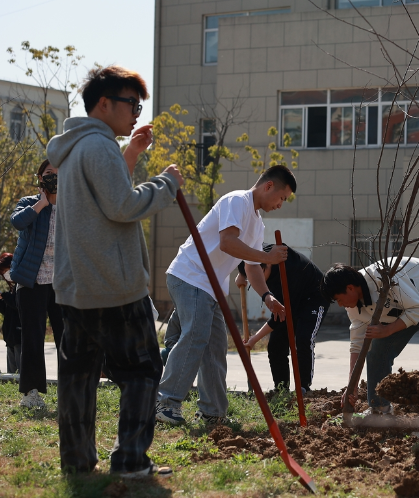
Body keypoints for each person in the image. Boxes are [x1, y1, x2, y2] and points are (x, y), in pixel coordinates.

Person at [48, 65, 183, 477]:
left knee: (78, 379)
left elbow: (102, 197)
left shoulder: (74, 148)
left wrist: (132, 154)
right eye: (131, 104)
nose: (137, 113)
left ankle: (76, 461)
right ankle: (130, 461)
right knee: (142, 371)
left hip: (76, 287)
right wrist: (165, 185)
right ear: (103, 104)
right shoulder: (99, 145)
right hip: (114, 287)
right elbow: (121, 206)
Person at [155, 165, 296, 427]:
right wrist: (268, 256)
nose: (280, 204)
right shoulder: (236, 201)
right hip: (191, 274)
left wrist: (266, 295)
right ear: (268, 186)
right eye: (282, 197)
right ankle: (165, 403)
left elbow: (251, 266)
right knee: (196, 335)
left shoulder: (257, 223)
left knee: (215, 347)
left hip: (212, 287)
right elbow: (228, 243)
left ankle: (212, 412)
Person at [320, 258, 419, 432]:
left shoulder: (383, 277)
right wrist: (351, 386)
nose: (340, 305)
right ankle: (380, 408)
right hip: (407, 307)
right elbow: (357, 345)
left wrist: (389, 330)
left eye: (339, 299)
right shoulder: (353, 307)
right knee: (377, 352)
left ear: (350, 288)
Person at [9, 159, 64, 409]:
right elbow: (17, 222)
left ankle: (69, 390)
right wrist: (42, 203)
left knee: (68, 338)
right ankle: (31, 394)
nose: (53, 178)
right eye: (49, 173)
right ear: (40, 178)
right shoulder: (29, 203)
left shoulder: (69, 207)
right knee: (33, 338)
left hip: (62, 285)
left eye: (58, 174)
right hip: (32, 283)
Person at [238, 245, 330, 393]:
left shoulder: (286, 274)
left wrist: (255, 338)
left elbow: (279, 318)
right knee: (276, 344)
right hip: (291, 299)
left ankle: (303, 387)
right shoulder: (262, 254)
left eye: (255, 275)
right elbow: (247, 254)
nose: (253, 280)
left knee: (303, 338)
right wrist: (242, 274)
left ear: (265, 266)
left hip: (314, 295)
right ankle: (281, 389)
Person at [0, 253, 21, 374]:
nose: (5, 274)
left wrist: (5, 296)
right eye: (3, 272)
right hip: (10, 335)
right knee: (11, 375)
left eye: (6, 270)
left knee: (19, 372)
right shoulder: (12, 287)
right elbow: (7, 311)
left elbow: (18, 305)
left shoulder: (22, 285)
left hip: (19, 334)